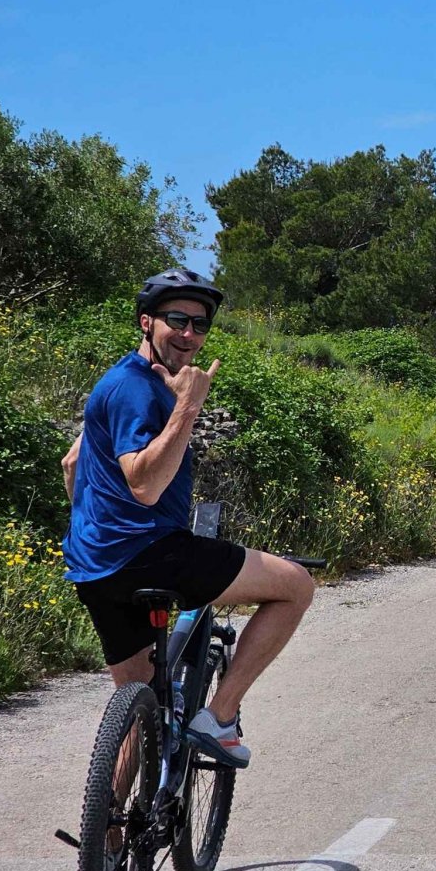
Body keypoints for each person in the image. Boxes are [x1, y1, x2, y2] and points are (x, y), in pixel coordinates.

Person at [61, 268, 315, 769]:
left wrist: (97, 529)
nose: (189, 334)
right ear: (146, 321)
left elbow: (73, 465)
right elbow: (145, 485)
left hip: (93, 570)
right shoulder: (139, 389)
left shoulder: (112, 382)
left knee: (141, 710)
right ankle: (218, 718)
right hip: (153, 555)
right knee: (296, 586)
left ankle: (107, 841)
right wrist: (189, 406)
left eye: (200, 326)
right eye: (177, 319)